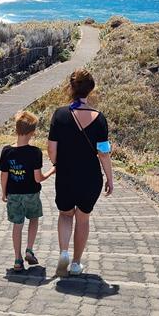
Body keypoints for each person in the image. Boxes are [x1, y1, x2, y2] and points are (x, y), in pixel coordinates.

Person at [48, 68, 114, 277]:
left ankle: (63, 253)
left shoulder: (59, 115)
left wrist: (58, 163)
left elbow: (51, 149)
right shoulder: (100, 118)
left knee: (65, 215)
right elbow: (104, 154)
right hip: (90, 177)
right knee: (82, 219)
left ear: (71, 88)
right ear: (90, 90)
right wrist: (110, 179)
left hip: (66, 175)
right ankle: (76, 263)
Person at [0, 111, 55, 272]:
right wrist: (52, 171)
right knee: (34, 219)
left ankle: (17, 259)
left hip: (13, 194)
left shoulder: (7, 151)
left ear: (16, 129)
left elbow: (4, 175)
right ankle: (29, 250)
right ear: (32, 132)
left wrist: (4, 192)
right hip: (31, 194)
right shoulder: (35, 152)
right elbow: (38, 178)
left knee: (17, 225)